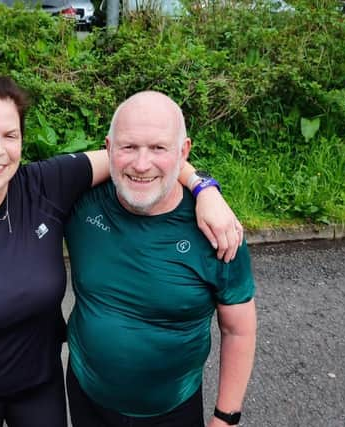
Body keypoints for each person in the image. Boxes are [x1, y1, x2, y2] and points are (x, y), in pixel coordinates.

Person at [0, 74, 244, 427]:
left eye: (9, 135)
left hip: (39, 387)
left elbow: (139, 157)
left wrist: (204, 188)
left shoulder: (45, 186)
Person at [63, 91, 257, 427]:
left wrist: (226, 418)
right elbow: (3, 182)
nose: (141, 164)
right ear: (108, 148)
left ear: (183, 152)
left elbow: (238, 329)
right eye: (128, 147)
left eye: (158, 148)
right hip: (86, 397)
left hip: (173, 410)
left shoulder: (219, 231)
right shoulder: (80, 203)